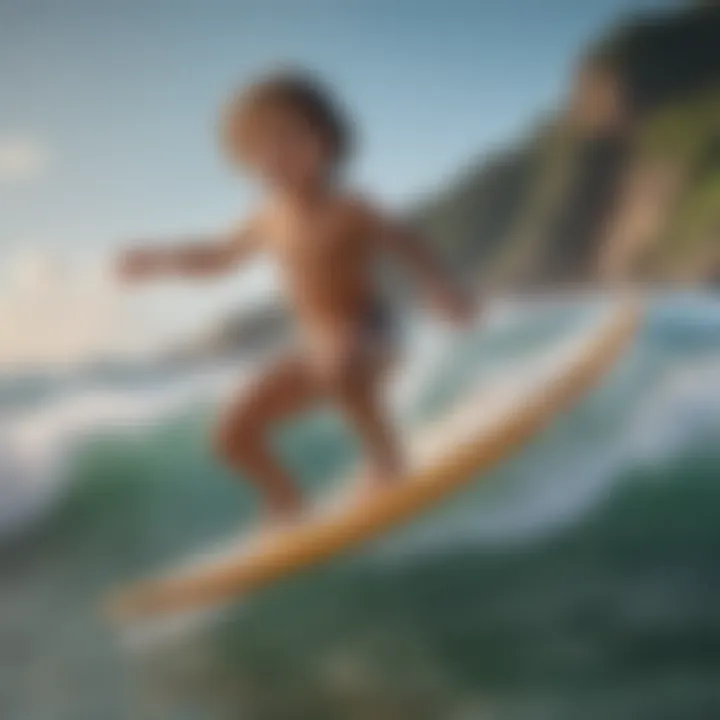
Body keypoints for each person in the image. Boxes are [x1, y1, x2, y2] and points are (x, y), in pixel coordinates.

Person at [118, 72, 473, 522]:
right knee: (231, 435)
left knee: (336, 358)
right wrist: (159, 261)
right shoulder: (266, 219)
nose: (275, 155)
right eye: (258, 148)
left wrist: (441, 288)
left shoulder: (350, 207)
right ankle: (287, 502)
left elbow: (407, 242)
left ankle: (387, 463)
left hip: (373, 335)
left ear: (325, 140)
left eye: (288, 137)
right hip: (318, 348)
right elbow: (215, 259)